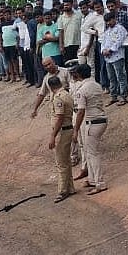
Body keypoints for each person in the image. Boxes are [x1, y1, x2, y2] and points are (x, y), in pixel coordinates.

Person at [71, 63, 108, 195]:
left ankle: (99, 183)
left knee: (92, 153)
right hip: (101, 120)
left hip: (92, 122)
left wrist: (75, 129)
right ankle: (92, 179)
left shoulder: (82, 90)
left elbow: (80, 112)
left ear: (79, 74)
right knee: (90, 151)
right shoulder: (96, 85)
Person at [46, 74, 76, 202]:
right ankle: (70, 187)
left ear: (51, 87)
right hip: (68, 129)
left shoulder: (58, 98)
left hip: (62, 131)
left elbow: (59, 117)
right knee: (66, 161)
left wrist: (52, 136)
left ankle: (62, 190)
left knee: (61, 163)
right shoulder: (67, 94)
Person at [101, 11, 128, 105]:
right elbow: (103, 42)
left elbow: (119, 41)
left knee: (120, 76)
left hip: (117, 56)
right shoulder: (107, 31)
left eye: (110, 20)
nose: (108, 23)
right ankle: (113, 96)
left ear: (114, 19)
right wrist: (104, 50)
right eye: (107, 21)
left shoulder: (120, 28)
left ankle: (123, 96)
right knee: (111, 77)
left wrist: (110, 50)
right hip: (108, 58)